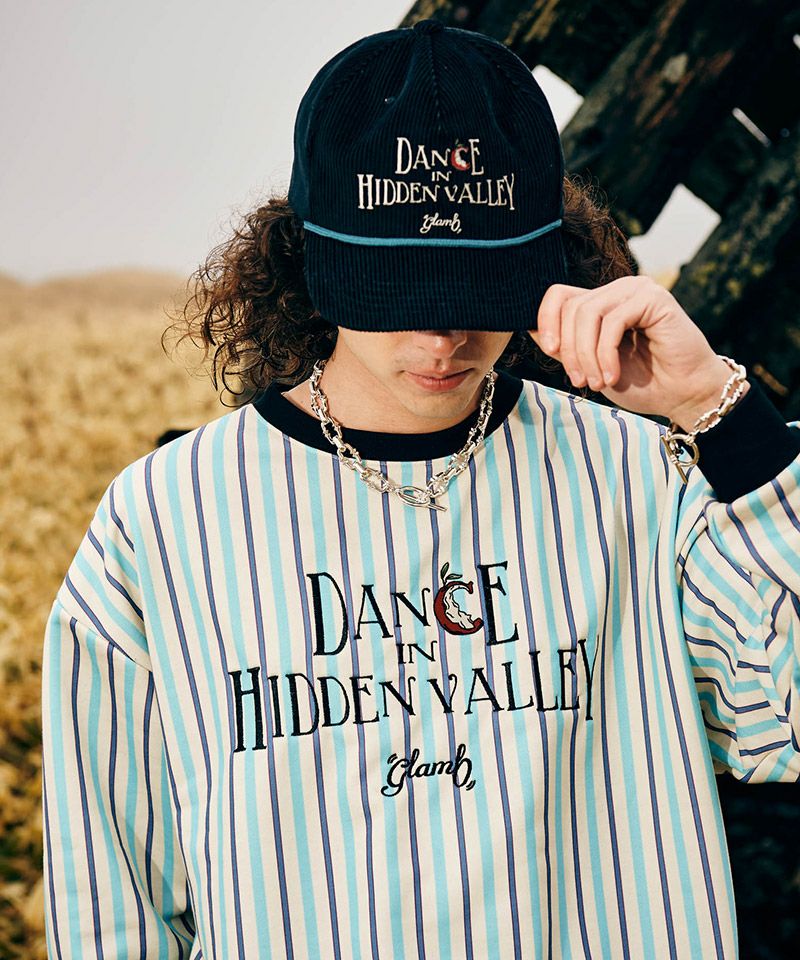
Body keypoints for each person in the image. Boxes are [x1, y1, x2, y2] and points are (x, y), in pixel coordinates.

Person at [40, 18, 800, 960]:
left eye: (478, 284)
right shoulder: (161, 521)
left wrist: (717, 409)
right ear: (309, 257)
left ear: (542, 258)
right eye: (399, 287)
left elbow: (787, 717)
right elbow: (111, 903)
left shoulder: (642, 480)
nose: (444, 338)